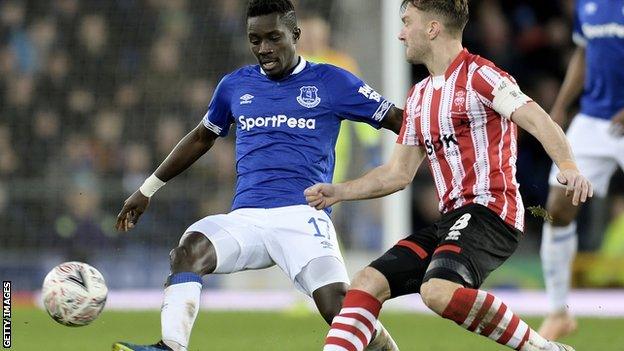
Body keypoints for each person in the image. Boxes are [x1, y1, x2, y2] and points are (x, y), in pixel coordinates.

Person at [112, 1, 403, 350]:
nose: (263, 49)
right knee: (189, 251)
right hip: (247, 219)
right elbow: (202, 137)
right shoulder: (235, 85)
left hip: (303, 214)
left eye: (273, 38)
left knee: (338, 308)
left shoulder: (331, 80)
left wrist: (443, 143)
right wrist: (147, 190)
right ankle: (171, 346)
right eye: (255, 40)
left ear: (295, 35)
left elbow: (399, 120)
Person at [304, 1, 592, 350]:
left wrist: (568, 166)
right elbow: (397, 173)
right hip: (452, 219)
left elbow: (538, 119)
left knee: (437, 291)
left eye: (407, 22)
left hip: (492, 212)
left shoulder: (482, 76)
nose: (400, 32)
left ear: (433, 28)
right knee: (366, 283)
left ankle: (543, 348)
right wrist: (339, 191)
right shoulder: (419, 96)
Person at [538, 0, 624, 340]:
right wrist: (559, 107)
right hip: (594, 119)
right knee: (557, 209)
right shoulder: (587, 4)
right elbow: (583, 54)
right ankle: (558, 312)